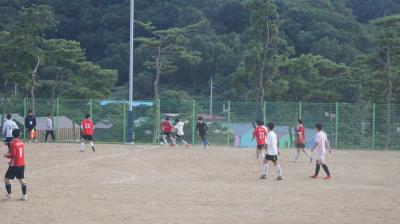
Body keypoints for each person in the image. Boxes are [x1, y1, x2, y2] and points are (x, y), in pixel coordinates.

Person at [3, 129, 27, 201]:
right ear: (19, 135)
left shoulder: (13, 143)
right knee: (21, 180)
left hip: (15, 165)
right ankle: (24, 196)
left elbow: (14, 155)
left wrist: (6, 156)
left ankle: (9, 195)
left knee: (6, 179)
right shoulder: (21, 142)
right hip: (22, 163)